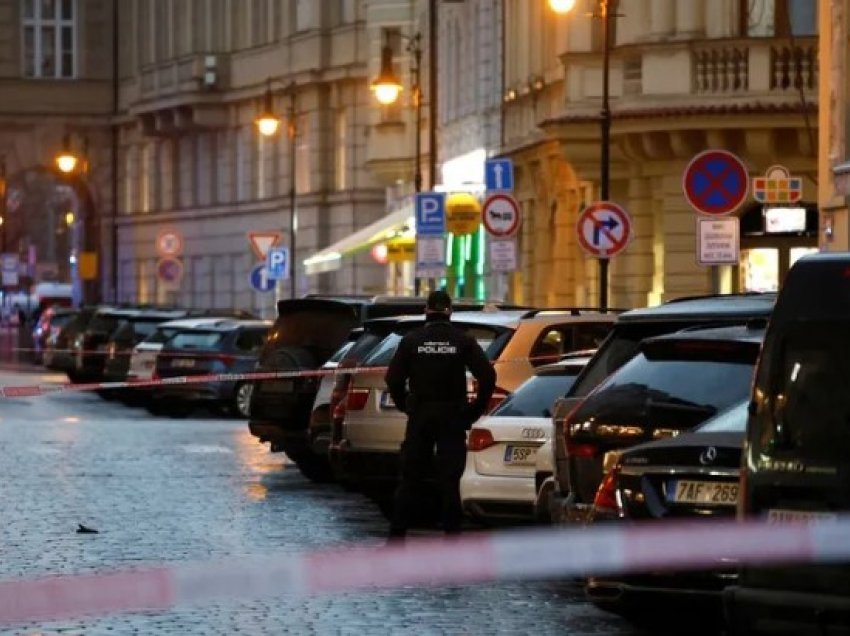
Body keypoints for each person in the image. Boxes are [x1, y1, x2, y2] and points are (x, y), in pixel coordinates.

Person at [384, 290, 496, 540]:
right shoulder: (462, 340)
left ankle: (397, 536)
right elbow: (487, 376)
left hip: (421, 414)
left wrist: (405, 405)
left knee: (410, 477)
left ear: (426, 310)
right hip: (452, 415)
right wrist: (473, 411)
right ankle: (451, 537)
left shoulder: (412, 340)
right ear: (449, 311)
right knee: (450, 479)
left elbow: (393, 378)